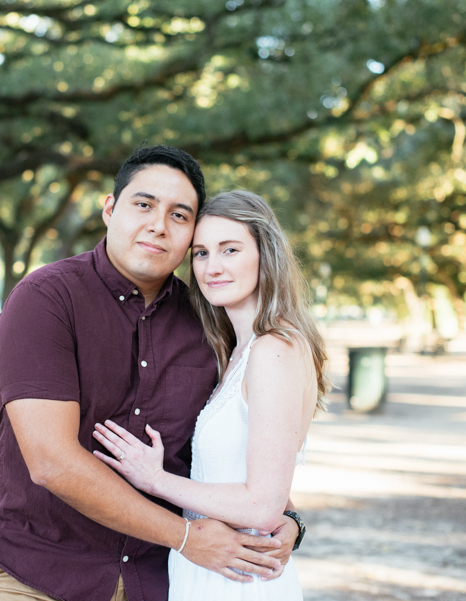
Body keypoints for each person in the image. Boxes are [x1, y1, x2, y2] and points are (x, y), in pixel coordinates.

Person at [0, 147, 305, 601]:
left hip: (160, 582)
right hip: (42, 572)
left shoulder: (208, 322)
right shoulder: (46, 300)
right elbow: (51, 463)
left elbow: (232, 446)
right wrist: (185, 537)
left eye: (179, 215)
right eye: (144, 204)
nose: (158, 225)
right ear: (110, 210)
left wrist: (288, 519)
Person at [93, 190, 330, 600]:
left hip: (237, 580)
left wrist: (155, 479)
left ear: (265, 254)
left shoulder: (274, 349)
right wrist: (292, 518)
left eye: (230, 249)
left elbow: (261, 507)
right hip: (210, 567)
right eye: (200, 253)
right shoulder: (237, 350)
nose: (212, 267)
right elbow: (262, 483)